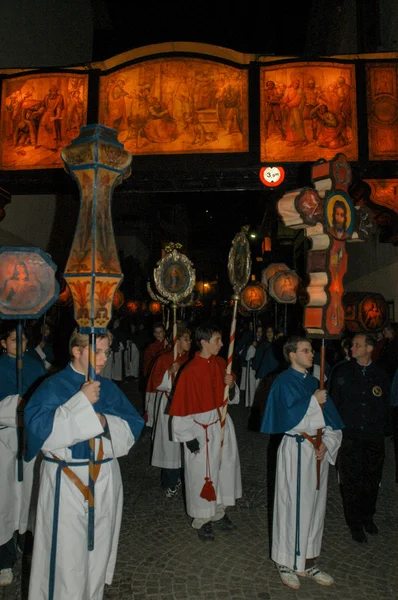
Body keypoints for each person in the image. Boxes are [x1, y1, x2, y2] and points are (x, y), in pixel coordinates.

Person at [24, 328, 145, 600]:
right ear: (77, 351)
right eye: (97, 351)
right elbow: (40, 435)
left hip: (104, 476)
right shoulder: (52, 386)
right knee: (66, 559)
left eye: (106, 352)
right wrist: (81, 401)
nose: (104, 359)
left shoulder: (108, 387)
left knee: (98, 552)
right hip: (67, 480)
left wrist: (103, 421)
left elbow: (132, 426)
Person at [261, 335, 343, 590]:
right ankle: (285, 561)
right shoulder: (283, 382)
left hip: (316, 453)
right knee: (290, 504)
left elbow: (332, 422)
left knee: (315, 505)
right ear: (292, 354)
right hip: (295, 449)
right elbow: (287, 420)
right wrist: (312, 402)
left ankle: (308, 560)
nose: (311, 355)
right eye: (306, 351)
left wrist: (326, 443)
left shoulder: (316, 382)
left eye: (311, 350)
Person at [169, 323, 241, 541]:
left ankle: (219, 512)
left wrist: (231, 384)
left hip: (221, 425)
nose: (221, 344)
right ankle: (202, 519)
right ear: (204, 342)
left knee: (224, 469)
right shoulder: (189, 371)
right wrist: (188, 438)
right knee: (202, 474)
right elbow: (181, 408)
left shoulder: (221, 364)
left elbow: (232, 398)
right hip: (200, 430)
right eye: (217, 340)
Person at [329, 333, 391, 544]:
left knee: (372, 480)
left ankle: (368, 517)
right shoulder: (342, 372)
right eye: (352, 345)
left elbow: (385, 405)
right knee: (351, 481)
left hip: (373, 437)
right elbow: (334, 404)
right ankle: (354, 522)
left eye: (357, 345)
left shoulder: (381, 374)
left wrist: (384, 429)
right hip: (351, 437)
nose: (351, 348)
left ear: (369, 349)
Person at [0, 322, 47, 587]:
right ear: (3, 344)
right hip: (4, 441)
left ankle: (26, 542)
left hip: (29, 442)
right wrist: (10, 407)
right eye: (13, 340)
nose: (20, 344)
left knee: (30, 494)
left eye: (23, 340)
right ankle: (4, 560)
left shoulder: (34, 367)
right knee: (4, 500)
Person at [148, 327, 192, 497]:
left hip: (185, 405)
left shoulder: (189, 359)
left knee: (184, 441)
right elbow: (155, 383)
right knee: (169, 442)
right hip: (167, 403)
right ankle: (169, 481)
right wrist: (169, 372)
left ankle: (183, 476)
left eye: (189, 339)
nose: (189, 342)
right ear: (177, 340)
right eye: (186, 338)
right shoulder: (164, 359)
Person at [143, 322, 170, 427]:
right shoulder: (151, 348)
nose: (159, 335)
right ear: (154, 334)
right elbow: (148, 365)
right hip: (155, 380)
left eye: (161, 332)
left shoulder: (170, 345)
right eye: (157, 333)